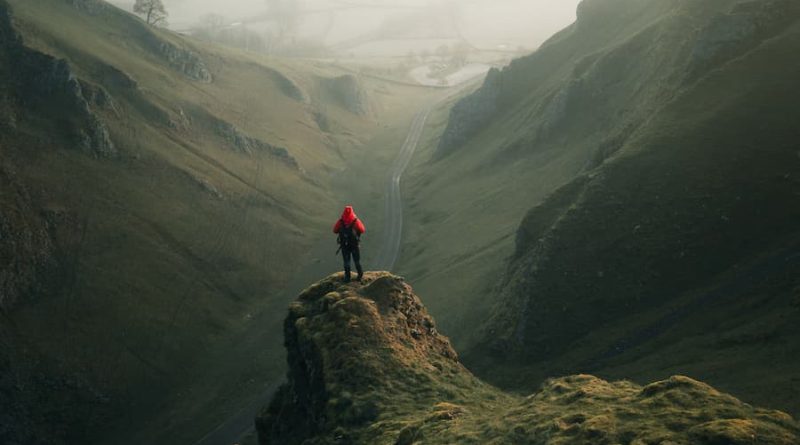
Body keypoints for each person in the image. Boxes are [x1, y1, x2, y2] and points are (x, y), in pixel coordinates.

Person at [333, 205, 366, 282]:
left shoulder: (341, 221)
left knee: (346, 262)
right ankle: (360, 275)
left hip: (344, 245)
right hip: (354, 245)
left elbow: (334, 230)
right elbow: (362, 230)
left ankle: (347, 277)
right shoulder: (355, 221)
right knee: (357, 261)